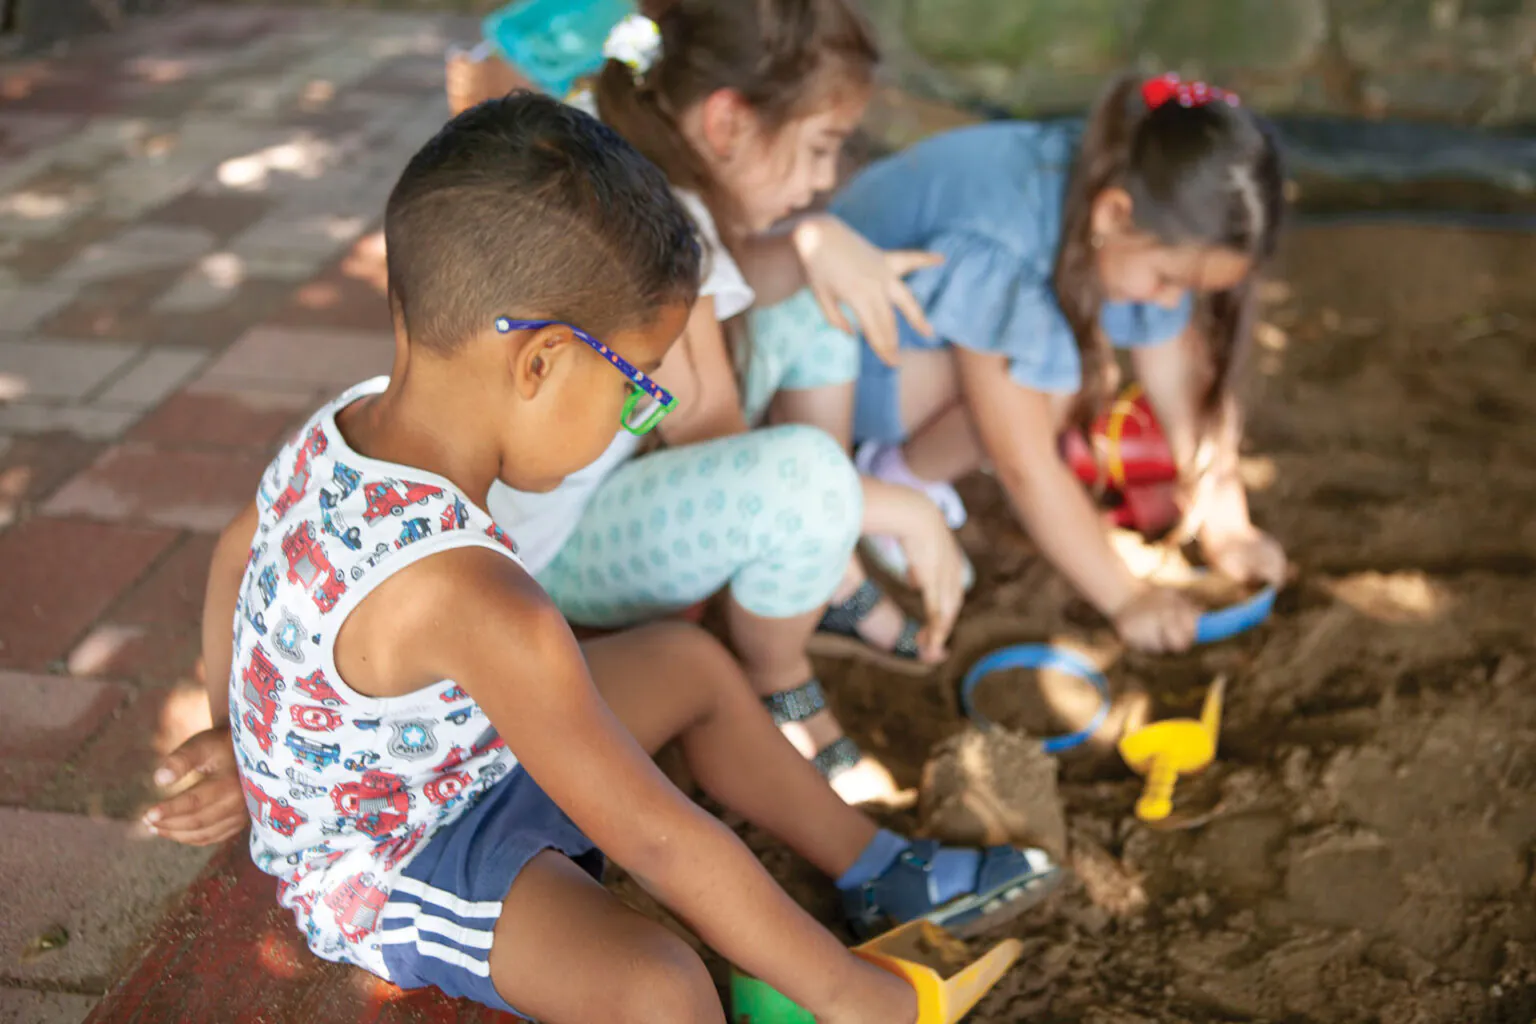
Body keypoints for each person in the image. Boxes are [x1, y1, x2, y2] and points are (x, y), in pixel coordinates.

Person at [142, 93, 1059, 1023]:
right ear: (539, 363)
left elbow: (234, 554)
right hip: (400, 849)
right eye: (638, 389)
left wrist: (235, 727)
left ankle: (869, 867)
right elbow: (660, 840)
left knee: (690, 664)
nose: (641, 418)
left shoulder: (350, 414)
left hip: (464, 747)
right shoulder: (485, 603)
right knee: (662, 991)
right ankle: (848, 962)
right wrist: (851, 994)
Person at [481, 0, 966, 804]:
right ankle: (779, 669)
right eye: (820, 147)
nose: (824, 180)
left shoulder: (610, 136)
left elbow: (731, 317)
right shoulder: (660, 221)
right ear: (727, 120)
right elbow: (717, 440)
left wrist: (816, 243)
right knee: (804, 479)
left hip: (592, 464)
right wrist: (900, 511)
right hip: (546, 553)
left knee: (819, 301)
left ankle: (827, 581)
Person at [831, 73, 1289, 653]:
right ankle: (896, 474)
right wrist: (1126, 599)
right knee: (1048, 388)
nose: (1174, 301)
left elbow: (1176, 371)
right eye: (1170, 280)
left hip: (896, 341)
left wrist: (1230, 527)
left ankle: (903, 466)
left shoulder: (1130, 187)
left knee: (1061, 372)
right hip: (832, 360)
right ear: (1112, 216)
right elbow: (1023, 461)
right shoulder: (1007, 239)